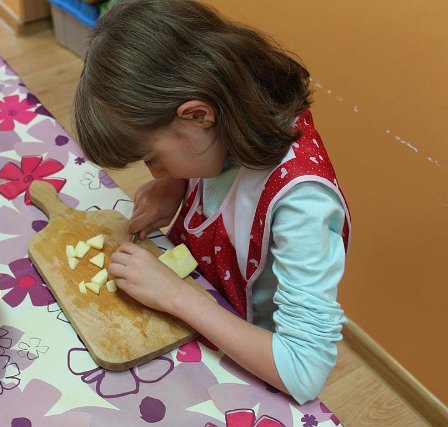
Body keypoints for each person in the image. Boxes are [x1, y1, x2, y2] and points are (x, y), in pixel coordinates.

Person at [73, 0, 351, 404]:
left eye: (152, 158)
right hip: (202, 315)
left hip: (254, 364)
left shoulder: (302, 203)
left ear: (198, 116)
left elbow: (303, 371)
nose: (154, 173)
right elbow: (209, 153)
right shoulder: (230, 120)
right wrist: (178, 182)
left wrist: (176, 296)